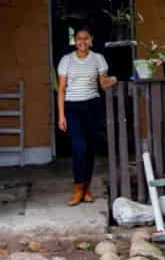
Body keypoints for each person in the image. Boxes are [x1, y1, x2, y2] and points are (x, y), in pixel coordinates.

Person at [57, 27, 117, 206]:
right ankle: (77, 188)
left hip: (92, 106)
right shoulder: (66, 60)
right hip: (72, 107)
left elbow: (103, 84)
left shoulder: (98, 58)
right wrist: (61, 115)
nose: (82, 41)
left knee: (90, 149)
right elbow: (61, 89)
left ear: (91, 40)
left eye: (85, 38)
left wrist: (112, 79)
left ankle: (87, 189)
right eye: (78, 38)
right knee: (79, 147)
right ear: (75, 41)